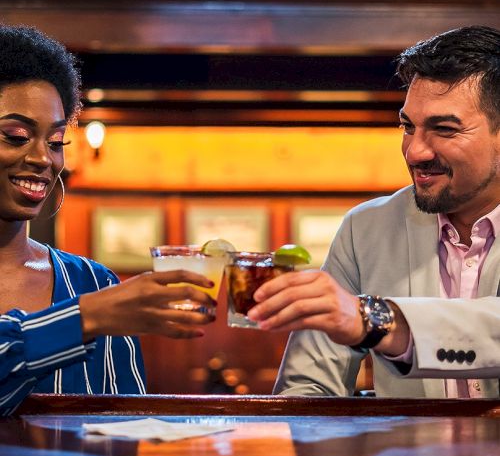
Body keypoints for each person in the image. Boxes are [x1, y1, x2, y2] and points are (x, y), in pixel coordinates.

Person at [247, 25, 500, 398]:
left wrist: (375, 321)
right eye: (407, 126)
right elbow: (307, 388)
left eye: (444, 129)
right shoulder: (365, 228)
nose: (415, 152)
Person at [0, 24, 216, 415]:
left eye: (55, 142)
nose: (43, 159)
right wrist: (85, 317)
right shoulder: (98, 303)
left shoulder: (93, 283)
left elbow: (123, 429)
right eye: (16, 136)